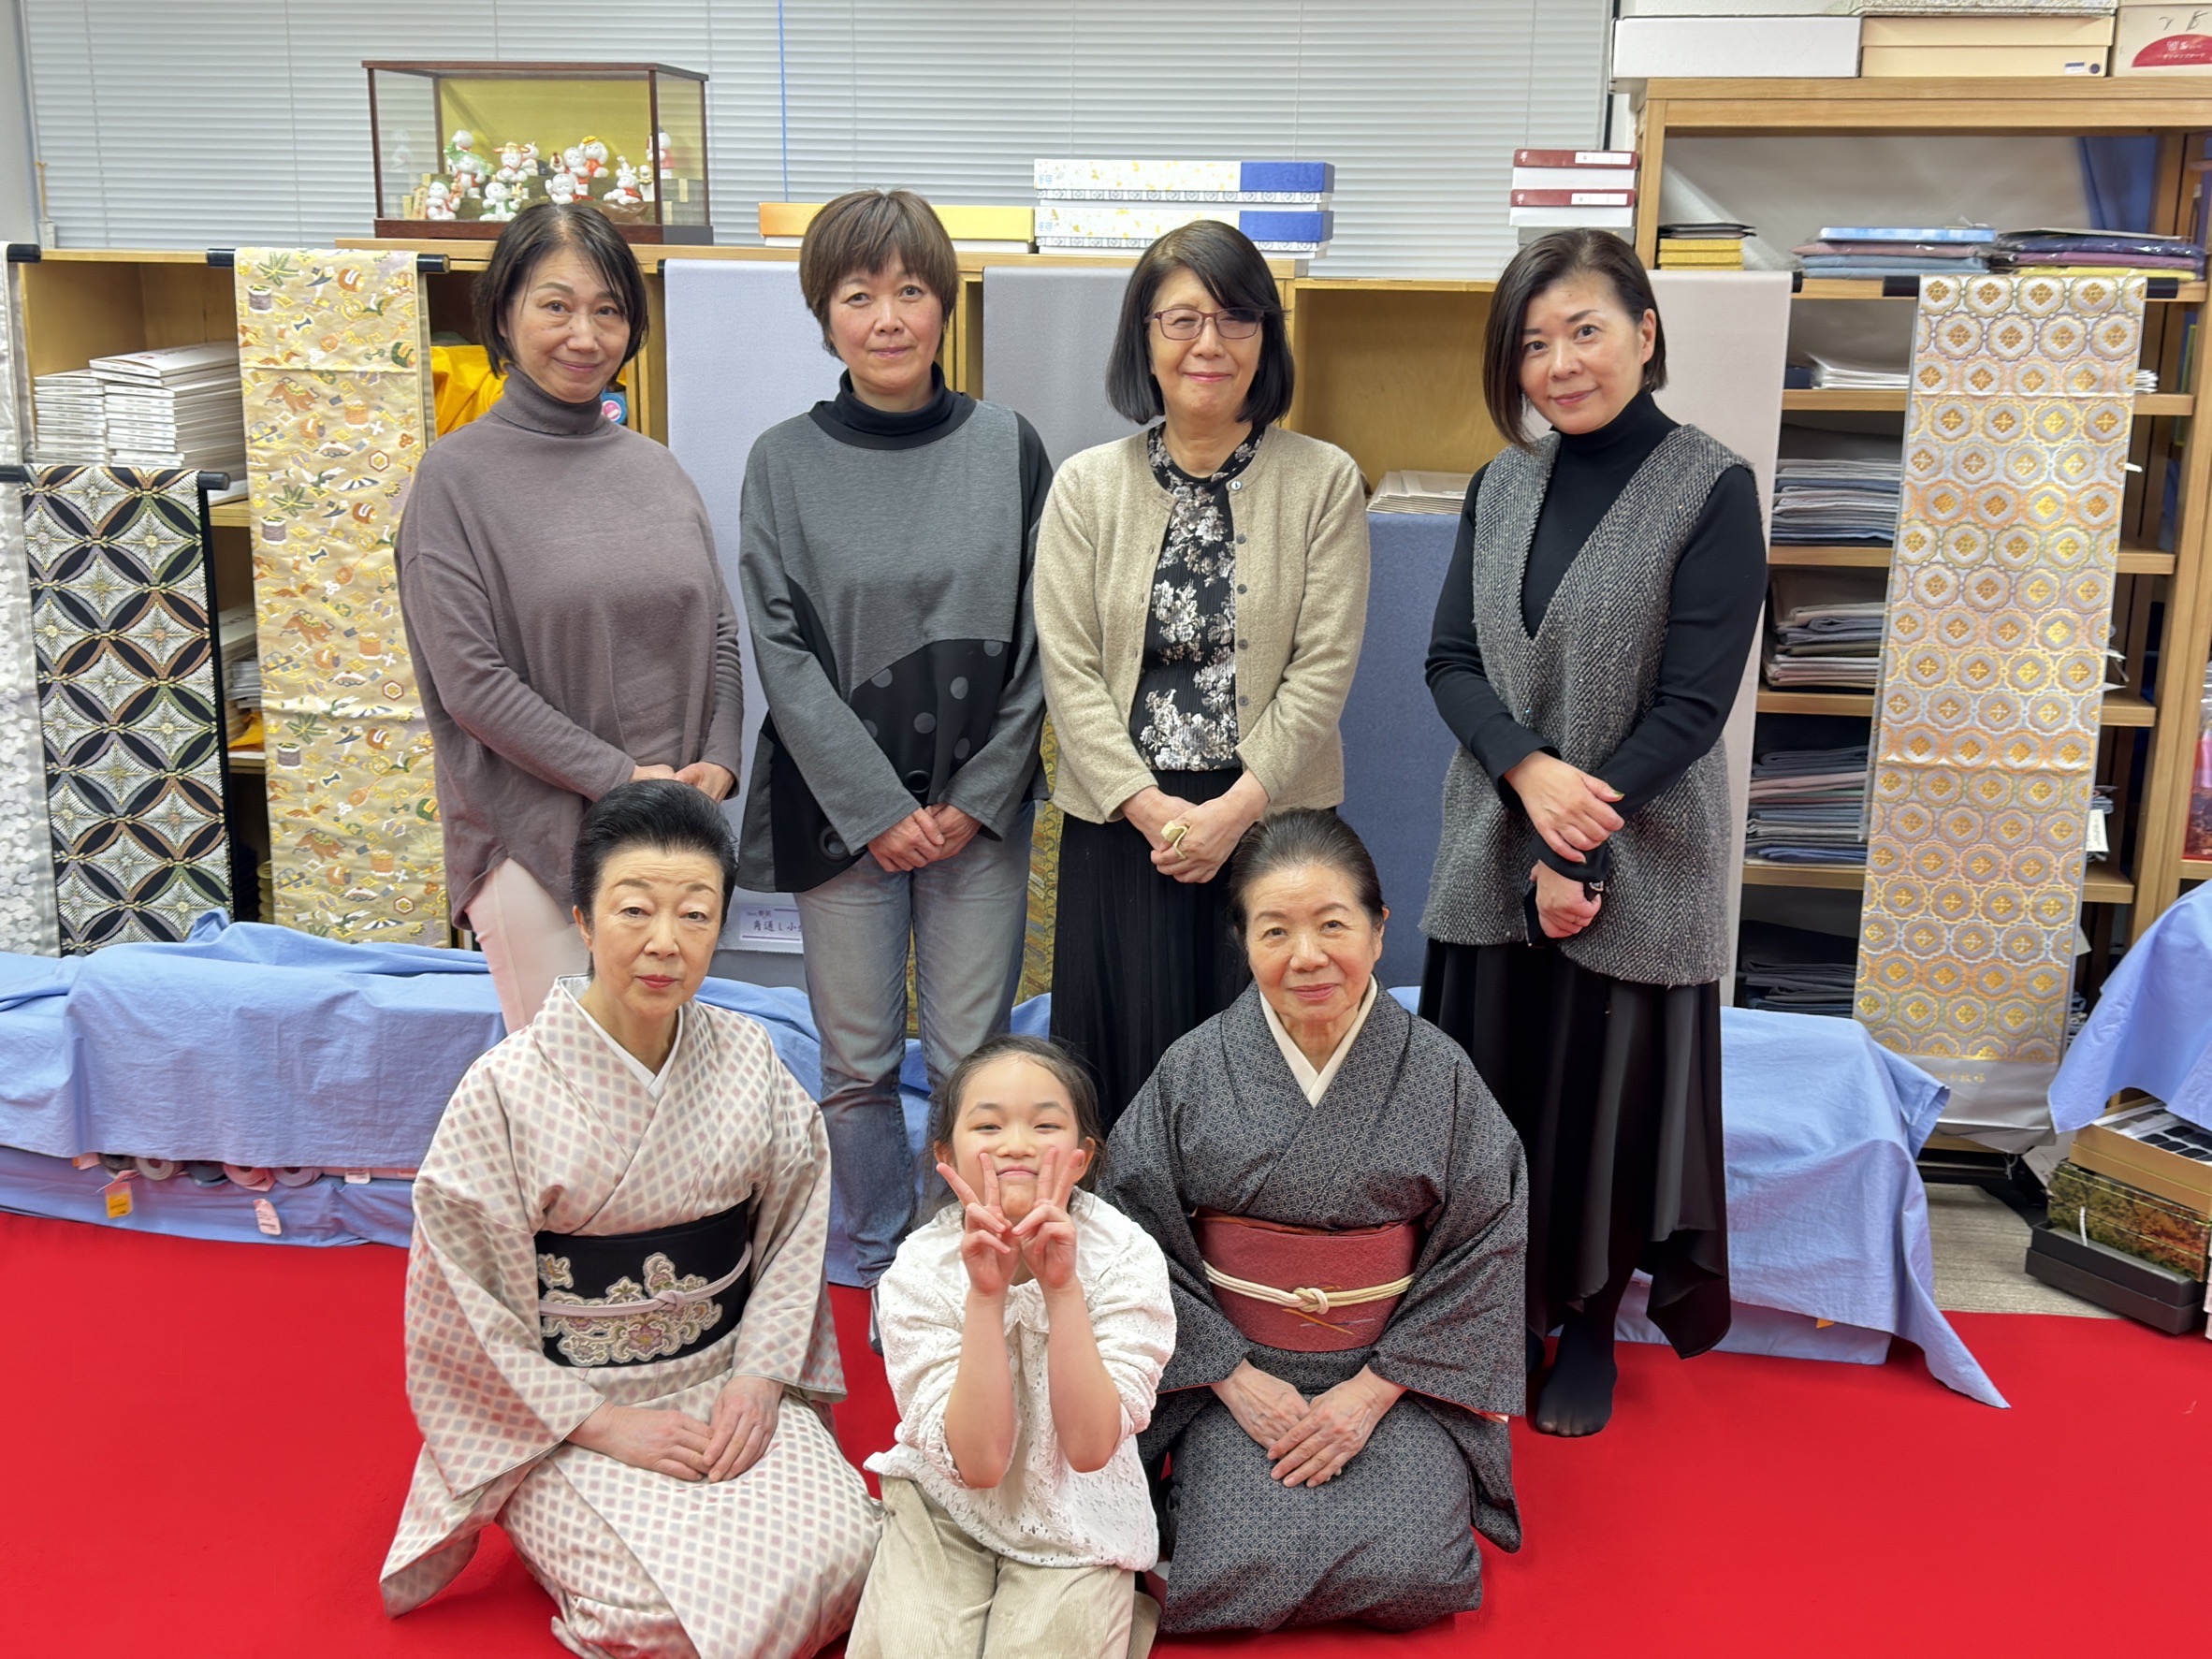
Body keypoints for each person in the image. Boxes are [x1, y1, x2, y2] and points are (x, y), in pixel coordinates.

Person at [380, 781, 878, 1658]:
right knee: (663, 1619)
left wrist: (761, 1378)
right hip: (570, 1413)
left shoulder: (749, 1057)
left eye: (695, 913)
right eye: (635, 909)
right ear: (582, 918)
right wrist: (602, 1423)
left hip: (724, 1382)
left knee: (856, 1554)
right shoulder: (505, 1090)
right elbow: (462, 1300)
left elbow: (794, 1229)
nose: (665, 941)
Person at [1418, 228, 1767, 1437]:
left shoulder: (1711, 487)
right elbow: (1451, 660)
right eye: (1533, 343)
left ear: (1645, 333)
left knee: (1605, 1105)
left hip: (1644, 849)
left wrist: (1576, 843)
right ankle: (1502, 1311)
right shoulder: (1502, 483)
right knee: (1494, 1096)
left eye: (1586, 331)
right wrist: (1525, 773)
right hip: (1494, 840)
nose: (1561, 363)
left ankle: (1592, 1330)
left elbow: (1693, 704)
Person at [1100, 810, 1526, 1636]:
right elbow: (1128, 1229)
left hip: (1395, 1373)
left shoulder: (1438, 1073)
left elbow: (1488, 1238)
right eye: (1275, 930)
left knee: (1417, 1569)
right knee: (1225, 1562)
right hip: (1233, 1372)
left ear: (1378, 929)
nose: (1307, 955)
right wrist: (1230, 1374)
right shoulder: (1194, 1068)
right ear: (1243, 941)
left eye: (1333, 924)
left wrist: (1369, 1394)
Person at [738, 189, 1052, 1298]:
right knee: (858, 1064)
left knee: (974, 1065)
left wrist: (977, 794)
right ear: (824, 314)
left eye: (910, 290)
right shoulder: (782, 461)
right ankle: (877, 1260)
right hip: (840, 814)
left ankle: (955, 1267)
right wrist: (876, 808)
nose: (886, 318)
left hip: (980, 811)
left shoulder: (1008, 447)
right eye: (857, 294)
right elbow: (779, 648)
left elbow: (1046, 638)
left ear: (944, 305)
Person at [1038, 221, 1370, 1127]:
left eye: (1235, 318)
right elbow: (1069, 668)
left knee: (1261, 1080)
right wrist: (1152, 808)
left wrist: (1234, 811)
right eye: (1181, 319)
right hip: (1123, 825)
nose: (1208, 343)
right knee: (1122, 1071)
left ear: (1266, 336)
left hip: (1271, 826)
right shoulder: (1085, 486)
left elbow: (1324, 665)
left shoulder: (1324, 481)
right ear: (1144, 337)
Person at [398, 200, 745, 1034]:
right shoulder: (454, 480)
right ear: (504, 313)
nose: (584, 336)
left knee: (664, 1077)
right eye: (556, 306)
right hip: (533, 839)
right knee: (568, 1085)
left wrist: (720, 763)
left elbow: (720, 632)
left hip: (670, 834)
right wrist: (620, 778)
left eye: (608, 310)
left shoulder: (657, 469)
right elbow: (471, 684)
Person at [849, 1035, 1174, 1659]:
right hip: (947, 1504)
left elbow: (1089, 1448)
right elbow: (978, 1464)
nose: (1017, 1144)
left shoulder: (1125, 1256)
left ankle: (1116, 1608)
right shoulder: (919, 1266)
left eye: (1044, 1124)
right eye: (988, 1125)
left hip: (1078, 1510)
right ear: (946, 1154)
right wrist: (986, 1297)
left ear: (1082, 1156)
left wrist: (1062, 1289)